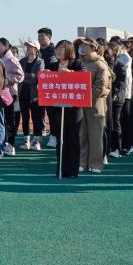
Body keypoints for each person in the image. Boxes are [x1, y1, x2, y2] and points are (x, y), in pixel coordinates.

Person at [76, 37, 111, 173]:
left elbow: (101, 87)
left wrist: (86, 96)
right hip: (81, 104)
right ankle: (82, 162)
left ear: (93, 48)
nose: (82, 48)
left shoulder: (100, 64)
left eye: (85, 46)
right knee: (82, 134)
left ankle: (96, 164)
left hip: (96, 104)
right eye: (81, 46)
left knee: (95, 136)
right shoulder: (79, 63)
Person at [48, 40, 83, 178]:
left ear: (68, 50)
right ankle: (61, 169)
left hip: (74, 108)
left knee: (73, 138)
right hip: (57, 107)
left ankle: (72, 170)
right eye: (57, 49)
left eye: (61, 49)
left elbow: (83, 80)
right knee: (60, 138)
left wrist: (69, 73)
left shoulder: (77, 64)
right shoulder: (52, 66)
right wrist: (45, 75)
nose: (58, 51)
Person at [107, 38, 133, 156]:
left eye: (110, 50)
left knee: (116, 122)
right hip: (112, 96)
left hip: (118, 97)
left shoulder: (122, 62)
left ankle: (117, 148)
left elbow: (122, 81)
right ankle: (113, 147)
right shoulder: (111, 62)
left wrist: (115, 93)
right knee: (112, 122)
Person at [0, 39, 24, 156]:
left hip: (10, 94)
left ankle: (11, 145)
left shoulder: (11, 59)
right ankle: (4, 143)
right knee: (3, 119)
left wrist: (5, 79)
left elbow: (20, 76)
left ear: (5, 46)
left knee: (10, 120)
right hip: (1, 93)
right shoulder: (0, 58)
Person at [19, 41, 44, 151]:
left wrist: (24, 77)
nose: (28, 48)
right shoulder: (22, 61)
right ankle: (27, 141)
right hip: (22, 94)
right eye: (28, 46)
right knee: (25, 118)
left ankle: (37, 141)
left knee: (36, 118)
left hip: (35, 95)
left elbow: (38, 77)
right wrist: (28, 77)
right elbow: (19, 75)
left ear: (36, 49)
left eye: (31, 46)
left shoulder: (40, 62)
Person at [37, 28, 58, 147]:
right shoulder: (38, 51)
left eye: (42, 36)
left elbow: (54, 67)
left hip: (51, 87)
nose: (40, 39)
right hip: (39, 86)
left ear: (49, 37)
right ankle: (39, 136)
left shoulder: (54, 51)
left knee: (52, 113)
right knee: (38, 113)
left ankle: (54, 136)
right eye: (39, 36)